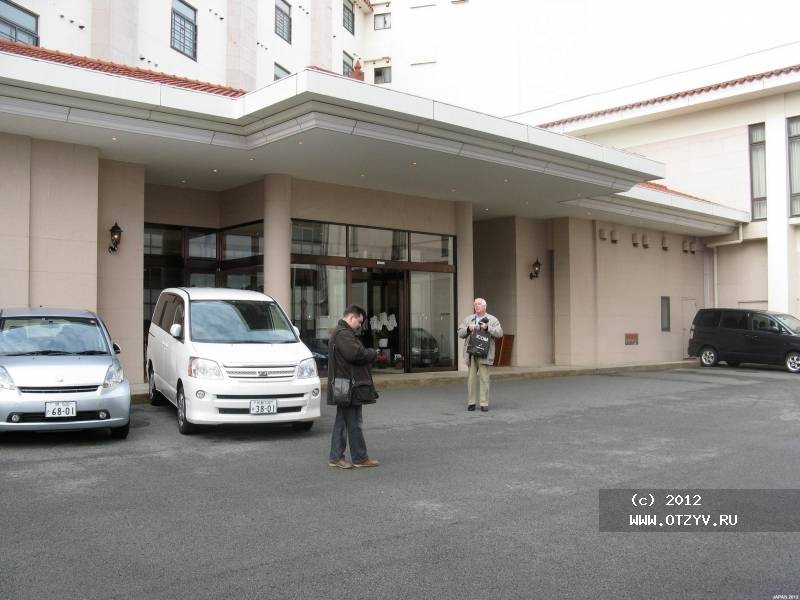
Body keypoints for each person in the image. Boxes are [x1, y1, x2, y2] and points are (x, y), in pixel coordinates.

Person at [328, 304, 380, 469]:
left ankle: (337, 457)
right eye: (359, 322)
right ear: (351, 318)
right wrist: (372, 353)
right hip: (349, 385)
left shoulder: (341, 332)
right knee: (354, 422)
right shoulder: (343, 334)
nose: (360, 326)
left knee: (343, 422)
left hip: (345, 385)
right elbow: (355, 354)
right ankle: (359, 457)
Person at [457, 298, 503, 412]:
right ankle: (471, 402)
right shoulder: (468, 319)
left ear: (484, 307)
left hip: (485, 353)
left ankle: (484, 403)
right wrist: (468, 328)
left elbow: (500, 333)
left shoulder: (492, 319)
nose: (476, 306)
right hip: (471, 353)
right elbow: (460, 333)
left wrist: (488, 328)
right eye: (475, 304)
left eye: (479, 304)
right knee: (471, 379)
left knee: (484, 379)